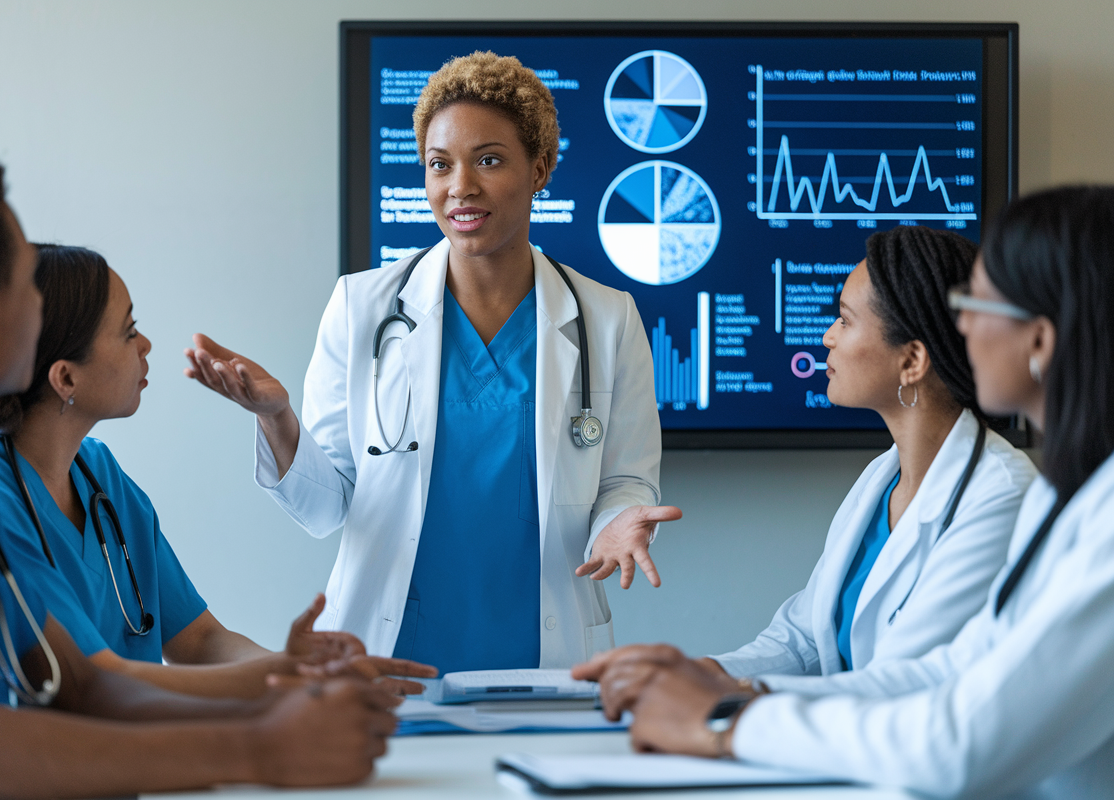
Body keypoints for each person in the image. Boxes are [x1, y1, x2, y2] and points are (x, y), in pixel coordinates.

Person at [0, 142, 398, 799]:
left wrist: (282, 699)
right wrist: (256, 747)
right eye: (27, 284)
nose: (41, 307)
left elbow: (82, 683)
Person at [576, 186, 1114, 799]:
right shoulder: (1057, 498)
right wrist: (714, 683)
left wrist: (729, 718)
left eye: (978, 303)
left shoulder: (1028, 500)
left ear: (1040, 340)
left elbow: (956, 732)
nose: (961, 325)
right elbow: (948, 669)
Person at [185, 51, 679, 675]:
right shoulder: (360, 307)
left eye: (489, 160)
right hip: (388, 654)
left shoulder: (608, 318)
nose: (460, 187)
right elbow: (327, 506)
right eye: (439, 165)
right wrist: (276, 418)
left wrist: (617, 524)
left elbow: (627, 480)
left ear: (541, 168)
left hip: (544, 652)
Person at [0, 245, 435, 698]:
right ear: (66, 377)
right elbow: (90, 681)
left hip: (142, 753)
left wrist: (308, 669)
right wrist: (290, 677)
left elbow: (199, 641)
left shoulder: (98, 473)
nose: (145, 344)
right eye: (129, 332)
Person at [707, 225, 1035, 679]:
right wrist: (698, 673)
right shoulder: (881, 479)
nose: (827, 337)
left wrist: (733, 706)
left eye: (844, 319)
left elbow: (901, 684)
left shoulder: (1001, 494)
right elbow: (803, 640)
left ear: (912, 361)